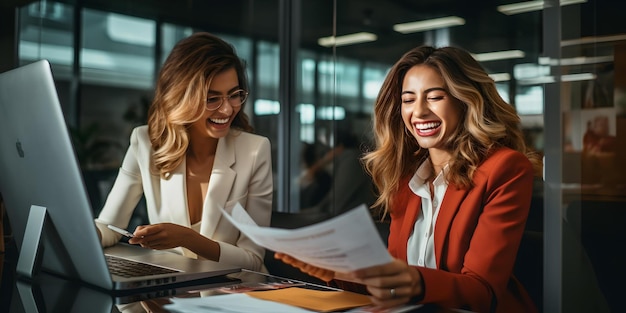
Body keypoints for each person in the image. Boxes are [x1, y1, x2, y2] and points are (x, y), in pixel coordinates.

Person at [276, 45, 543, 313]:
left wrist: (416, 281)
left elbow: (481, 291)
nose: (419, 112)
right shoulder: (405, 178)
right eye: (408, 100)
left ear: (466, 100)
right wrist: (338, 271)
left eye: (435, 97)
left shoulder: (505, 168)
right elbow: (394, 284)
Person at [94, 32, 273, 272]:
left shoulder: (255, 151)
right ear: (180, 97)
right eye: (212, 98)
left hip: (234, 293)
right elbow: (108, 226)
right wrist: (74, 232)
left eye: (234, 95)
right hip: (168, 294)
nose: (228, 108)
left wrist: (187, 238)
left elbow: (253, 259)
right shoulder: (145, 142)